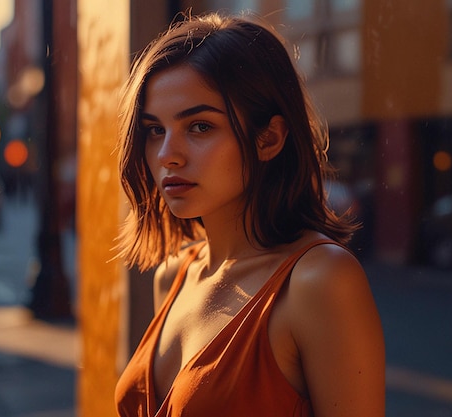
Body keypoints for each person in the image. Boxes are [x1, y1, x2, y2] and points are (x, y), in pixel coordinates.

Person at [114, 11, 385, 417]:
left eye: (200, 127)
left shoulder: (319, 281)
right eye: (155, 130)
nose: (167, 155)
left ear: (269, 138)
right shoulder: (172, 275)